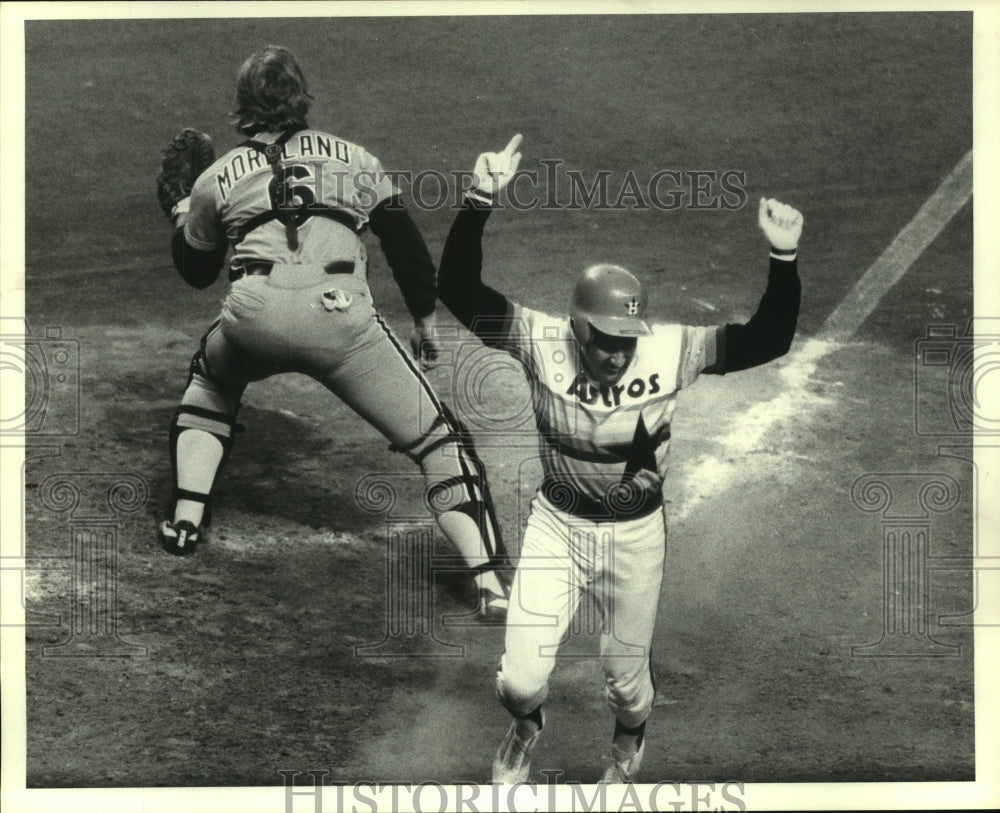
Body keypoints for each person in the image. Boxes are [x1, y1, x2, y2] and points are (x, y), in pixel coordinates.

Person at [436, 135, 803, 782]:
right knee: (519, 681)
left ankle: (630, 738)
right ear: (577, 327)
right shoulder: (538, 337)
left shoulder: (671, 348)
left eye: (626, 339)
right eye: (605, 340)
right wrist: (478, 197)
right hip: (557, 524)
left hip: (636, 536)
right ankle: (527, 724)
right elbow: (458, 288)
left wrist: (783, 254)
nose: (618, 352)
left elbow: (768, 338)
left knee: (626, 684)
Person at [157, 45, 509, 620]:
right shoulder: (354, 158)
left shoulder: (215, 177)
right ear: (301, 99)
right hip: (340, 318)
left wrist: (180, 212)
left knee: (210, 387)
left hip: (253, 315)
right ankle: (489, 581)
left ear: (241, 108)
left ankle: (186, 520)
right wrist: (424, 321)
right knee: (440, 442)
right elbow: (404, 247)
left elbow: (196, 274)